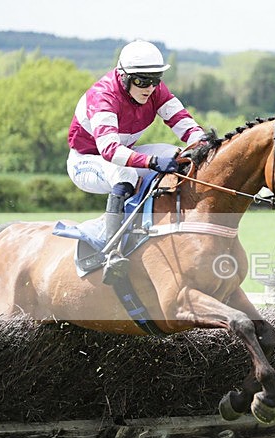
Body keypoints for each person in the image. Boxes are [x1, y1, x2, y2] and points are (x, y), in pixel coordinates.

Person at [67, 39, 205, 284]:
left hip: (121, 155)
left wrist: (209, 146)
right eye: (142, 80)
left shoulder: (156, 91)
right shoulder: (103, 97)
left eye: (156, 79)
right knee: (125, 175)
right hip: (86, 161)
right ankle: (111, 252)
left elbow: (185, 125)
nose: (150, 87)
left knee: (178, 155)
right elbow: (110, 150)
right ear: (123, 76)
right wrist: (151, 162)